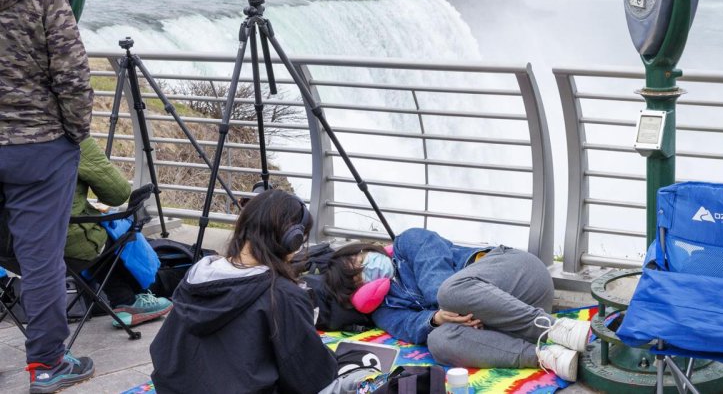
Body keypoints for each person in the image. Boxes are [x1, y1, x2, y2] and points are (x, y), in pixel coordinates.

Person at [0, 0, 96, 393]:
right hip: (39, 147)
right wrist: (74, 135)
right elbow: (74, 80)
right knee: (40, 259)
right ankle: (46, 365)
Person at [150, 190, 378, 393]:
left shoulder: (197, 276)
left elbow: (163, 351)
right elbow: (310, 378)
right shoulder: (282, 295)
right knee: (364, 367)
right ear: (292, 240)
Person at [322, 228, 590, 381]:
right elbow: (409, 328)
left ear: (362, 249)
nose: (364, 269)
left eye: (359, 261)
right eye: (357, 277)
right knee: (438, 342)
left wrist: (448, 309)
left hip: (520, 278)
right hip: (495, 324)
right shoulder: (383, 310)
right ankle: (546, 356)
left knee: (449, 291)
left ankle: (555, 329)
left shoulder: (409, 241)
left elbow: (437, 282)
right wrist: (437, 319)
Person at [65, 136, 172, 327]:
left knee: (87, 234)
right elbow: (118, 193)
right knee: (107, 236)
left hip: (12, 250)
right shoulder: (70, 137)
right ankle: (127, 301)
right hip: (63, 244)